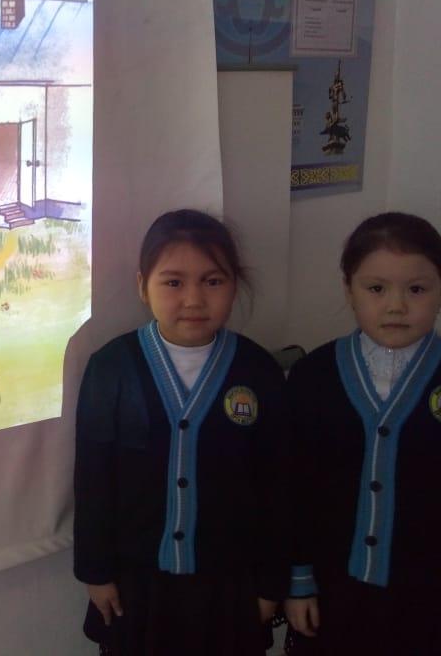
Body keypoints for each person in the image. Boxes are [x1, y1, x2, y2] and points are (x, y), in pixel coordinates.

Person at [73, 209, 289, 655]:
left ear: (234, 285)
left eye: (212, 281)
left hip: (229, 583)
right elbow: (93, 479)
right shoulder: (111, 368)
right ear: (143, 286)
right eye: (173, 282)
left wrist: (271, 583)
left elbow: (276, 488)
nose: (193, 299)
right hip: (137, 582)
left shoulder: (258, 370)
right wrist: (96, 572)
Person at [284, 213, 441, 655]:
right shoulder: (314, 376)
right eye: (376, 289)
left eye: (417, 289)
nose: (396, 306)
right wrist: (298, 580)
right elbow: (293, 488)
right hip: (332, 593)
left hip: (427, 599)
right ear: (348, 290)